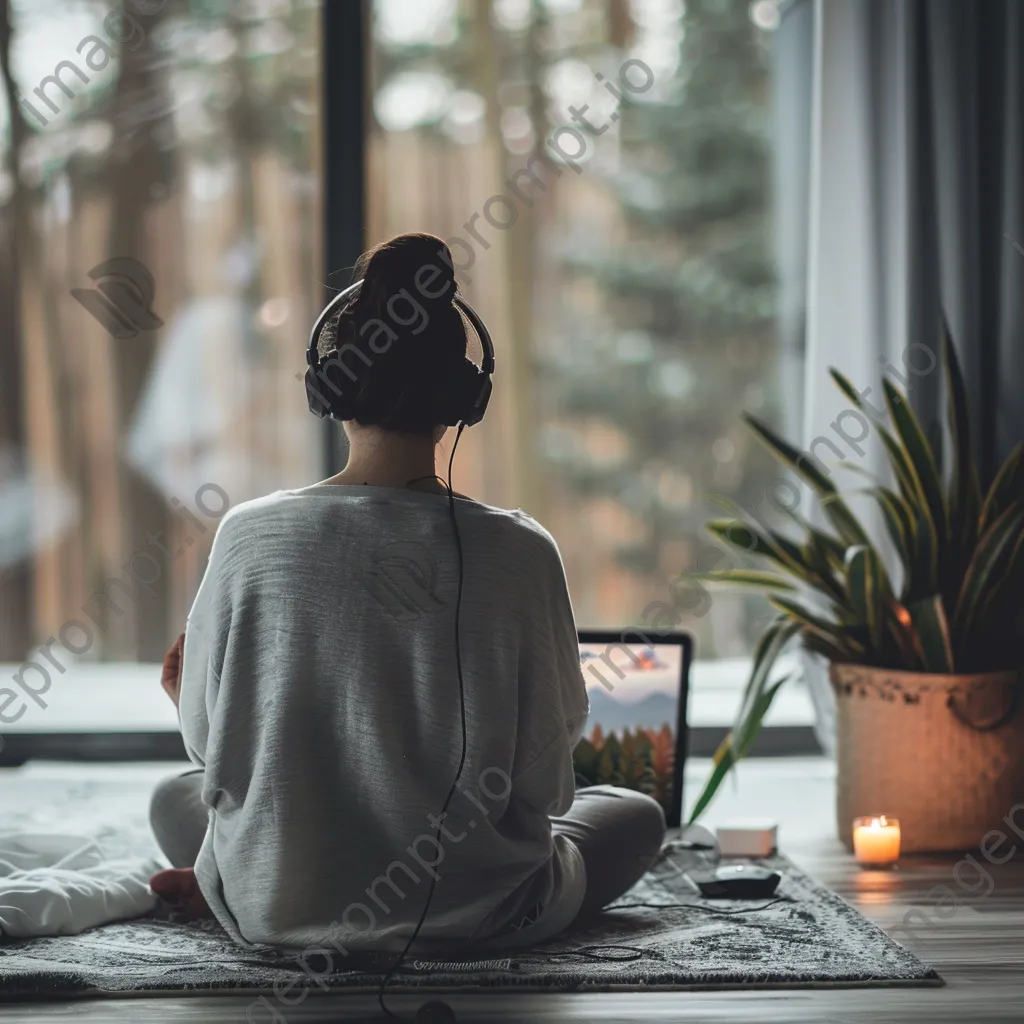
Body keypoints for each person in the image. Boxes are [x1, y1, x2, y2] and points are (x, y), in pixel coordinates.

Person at [148, 232, 666, 953]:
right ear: (464, 398)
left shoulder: (247, 535)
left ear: (327, 388)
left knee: (176, 797)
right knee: (635, 813)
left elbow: (213, 753)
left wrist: (195, 702)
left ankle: (229, 889)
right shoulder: (521, 551)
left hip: (274, 912)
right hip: (481, 914)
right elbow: (547, 791)